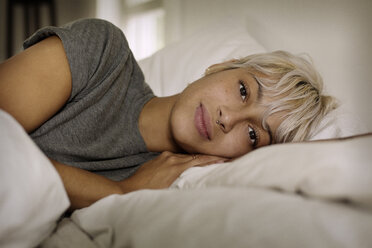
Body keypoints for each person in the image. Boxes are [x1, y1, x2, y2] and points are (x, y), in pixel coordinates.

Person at [0, 19, 337, 210]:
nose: (228, 118)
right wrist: (116, 193)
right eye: (244, 90)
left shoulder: (165, 188)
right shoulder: (104, 54)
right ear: (219, 67)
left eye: (252, 135)